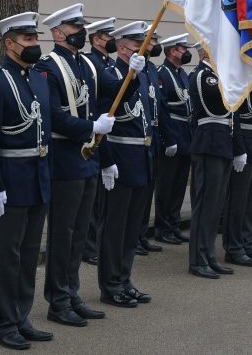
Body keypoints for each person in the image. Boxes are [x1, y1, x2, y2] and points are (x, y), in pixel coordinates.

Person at [35, 4, 121, 327]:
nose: (81, 32)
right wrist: (90, 128)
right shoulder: (49, 67)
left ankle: (71, 293)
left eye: (81, 26)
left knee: (80, 232)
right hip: (65, 158)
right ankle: (57, 300)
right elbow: (52, 114)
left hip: (88, 159)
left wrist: (133, 72)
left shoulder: (86, 64)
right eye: (75, 27)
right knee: (63, 232)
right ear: (58, 32)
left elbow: (114, 94)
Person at [0, 12, 54, 350]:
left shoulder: (36, 78)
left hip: (36, 179)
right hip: (8, 182)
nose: (34, 44)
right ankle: (4, 324)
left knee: (29, 254)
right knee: (7, 256)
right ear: (9, 43)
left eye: (36, 38)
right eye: (28, 39)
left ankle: (21, 317)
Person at [97, 21, 151, 306]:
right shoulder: (109, 74)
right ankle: (110, 284)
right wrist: (106, 161)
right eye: (134, 46)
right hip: (119, 157)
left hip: (140, 158)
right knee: (114, 227)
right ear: (120, 47)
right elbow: (104, 118)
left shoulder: (139, 74)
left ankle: (124, 278)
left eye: (141, 45)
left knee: (132, 227)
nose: (139, 50)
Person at [188, 42, 243, 278]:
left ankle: (209, 254)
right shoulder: (201, 75)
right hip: (208, 142)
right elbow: (218, 102)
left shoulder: (217, 76)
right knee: (205, 205)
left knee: (216, 205)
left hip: (221, 142)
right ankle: (198, 259)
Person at [223, 80, 252, 267]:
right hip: (244, 145)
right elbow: (236, 117)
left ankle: (247, 245)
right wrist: (239, 149)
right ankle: (234, 248)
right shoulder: (238, 80)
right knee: (238, 201)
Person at [82, 18, 117, 267]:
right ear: (96, 40)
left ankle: (95, 243)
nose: (111, 41)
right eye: (107, 37)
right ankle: (89, 246)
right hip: (95, 129)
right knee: (93, 200)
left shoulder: (107, 62)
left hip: (106, 128)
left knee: (100, 198)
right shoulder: (92, 62)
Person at [155, 34, 194, 246]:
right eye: (182, 48)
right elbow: (162, 109)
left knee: (179, 184)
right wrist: (168, 138)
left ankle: (174, 222)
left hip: (185, 134)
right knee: (166, 184)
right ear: (172, 51)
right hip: (172, 133)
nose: (186, 52)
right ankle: (163, 227)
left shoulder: (182, 74)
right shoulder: (163, 74)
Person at [137, 28, 169, 254]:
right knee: (138, 191)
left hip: (153, 135)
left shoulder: (151, 68)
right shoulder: (138, 69)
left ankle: (141, 234)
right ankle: (134, 237)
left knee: (148, 189)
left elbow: (160, 104)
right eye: (153, 40)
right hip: (138, 138)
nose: (156, 43)